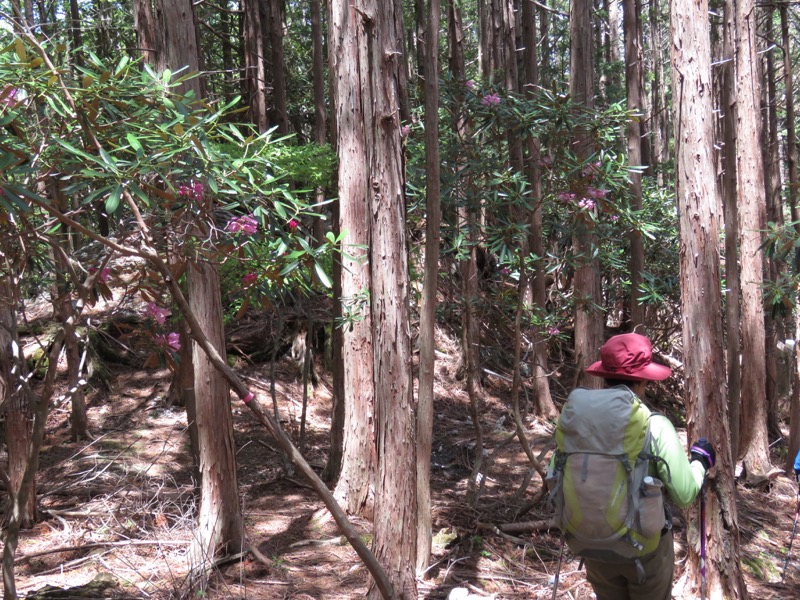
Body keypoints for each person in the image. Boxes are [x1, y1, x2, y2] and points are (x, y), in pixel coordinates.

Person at [579, 332, 715, 600]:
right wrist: (700, 462)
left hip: (590, 542)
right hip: (643, 548)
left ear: (604, 376)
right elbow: (685, 494)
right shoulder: (655, 426)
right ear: (643, 379)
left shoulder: (578, 421)